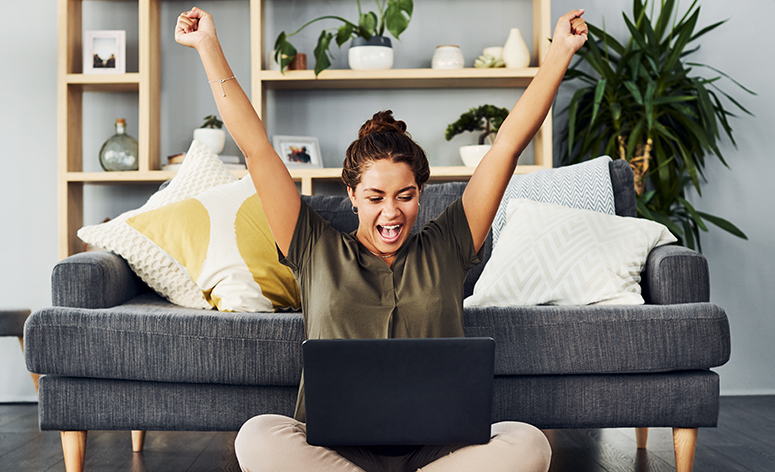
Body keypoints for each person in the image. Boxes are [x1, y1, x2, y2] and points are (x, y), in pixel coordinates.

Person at [176, 6, 588, 471]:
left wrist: (559, 53)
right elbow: (256, 149)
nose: (391, 212)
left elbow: (508, 145)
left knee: (529, 443)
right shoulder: (314, 247)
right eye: (375, 196)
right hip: (335, 453)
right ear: (351, 194)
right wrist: (208, 47)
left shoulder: (449, 243)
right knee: (257, 437)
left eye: (405, 196)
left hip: (438, 453)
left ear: (421, 194)